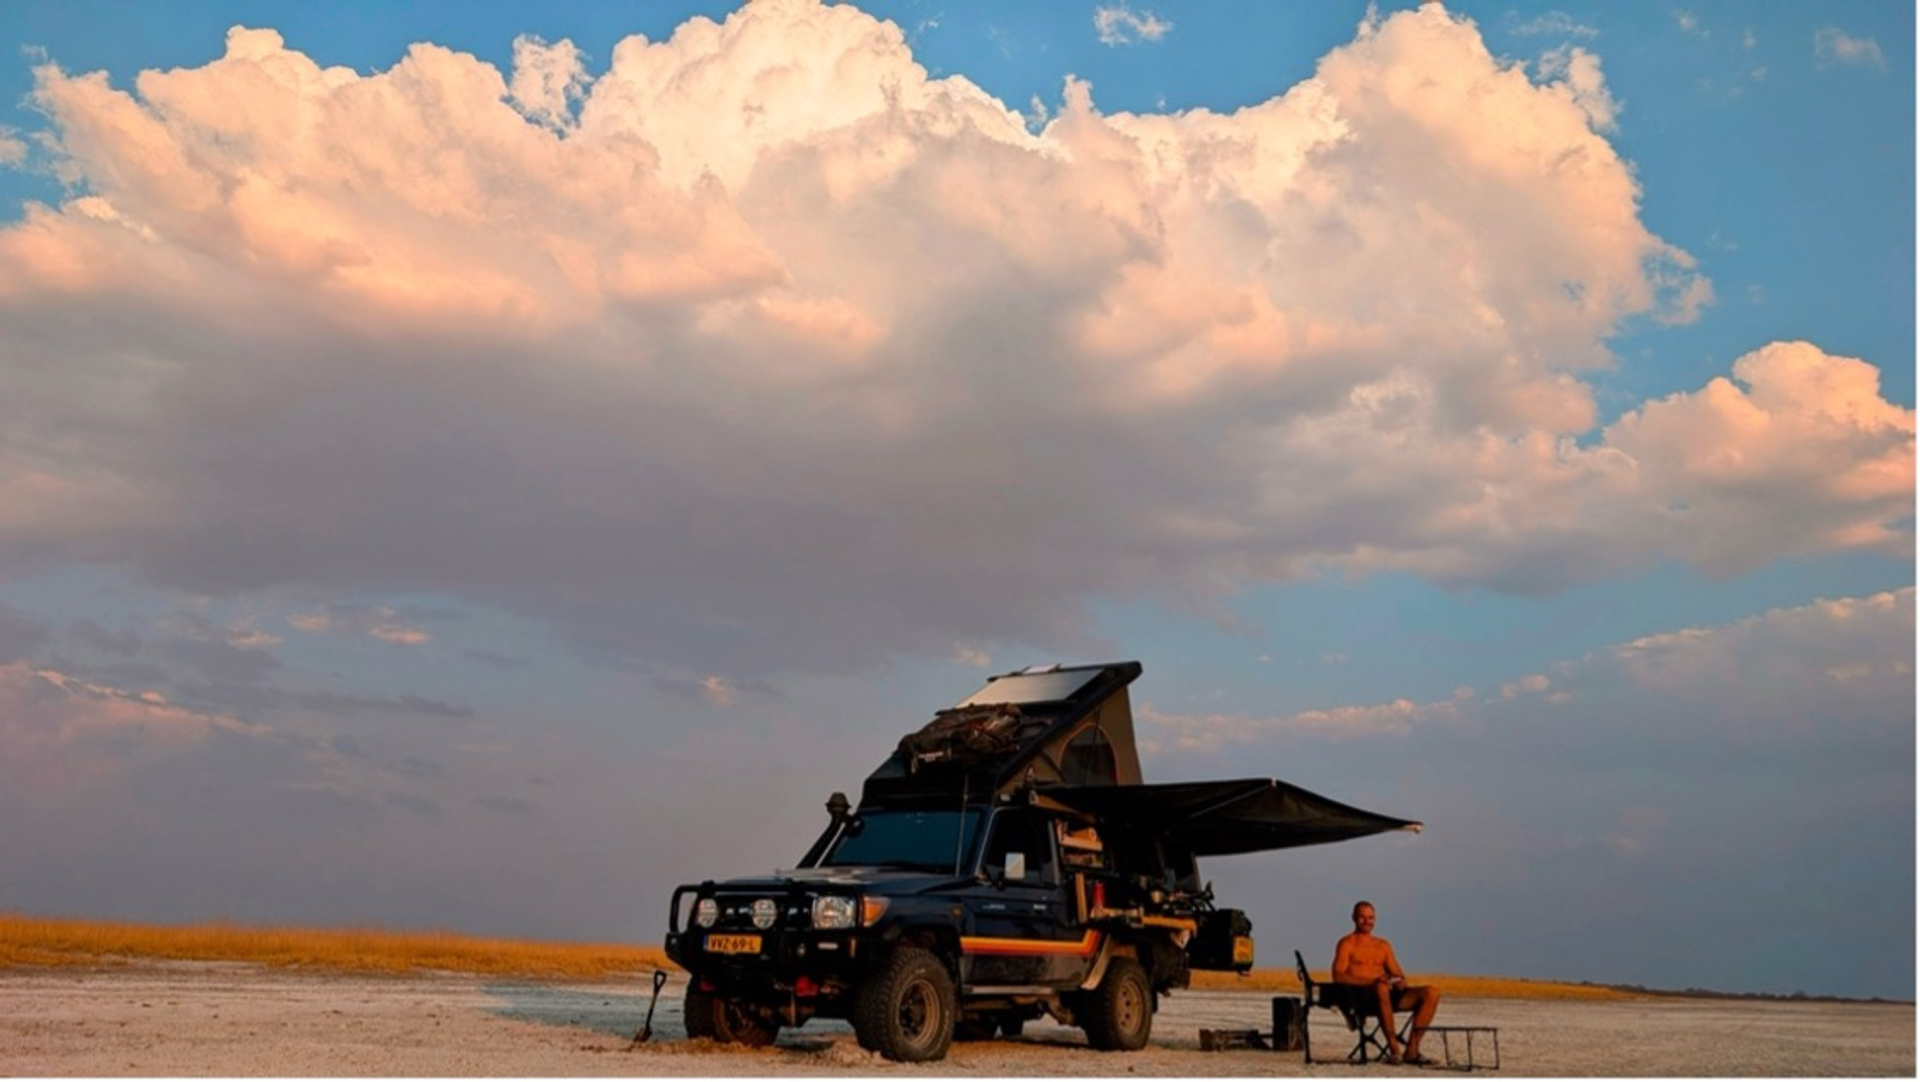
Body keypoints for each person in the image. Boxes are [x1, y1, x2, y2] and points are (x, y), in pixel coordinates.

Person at [1332, 900, 1441, 1065]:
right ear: (1353, 918)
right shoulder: (1347, 944)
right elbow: (1338, 976)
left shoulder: (1382, 945)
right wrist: (1372, 982)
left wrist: (1399, 982)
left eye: (1371, 918)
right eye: (1362, 917)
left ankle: (1412, 1049)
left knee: (1431, 992)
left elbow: (1399, 975)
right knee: (1381, 987)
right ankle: (1394, 1049)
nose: (1367, 922)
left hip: (1390, 996)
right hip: (1364, 997)